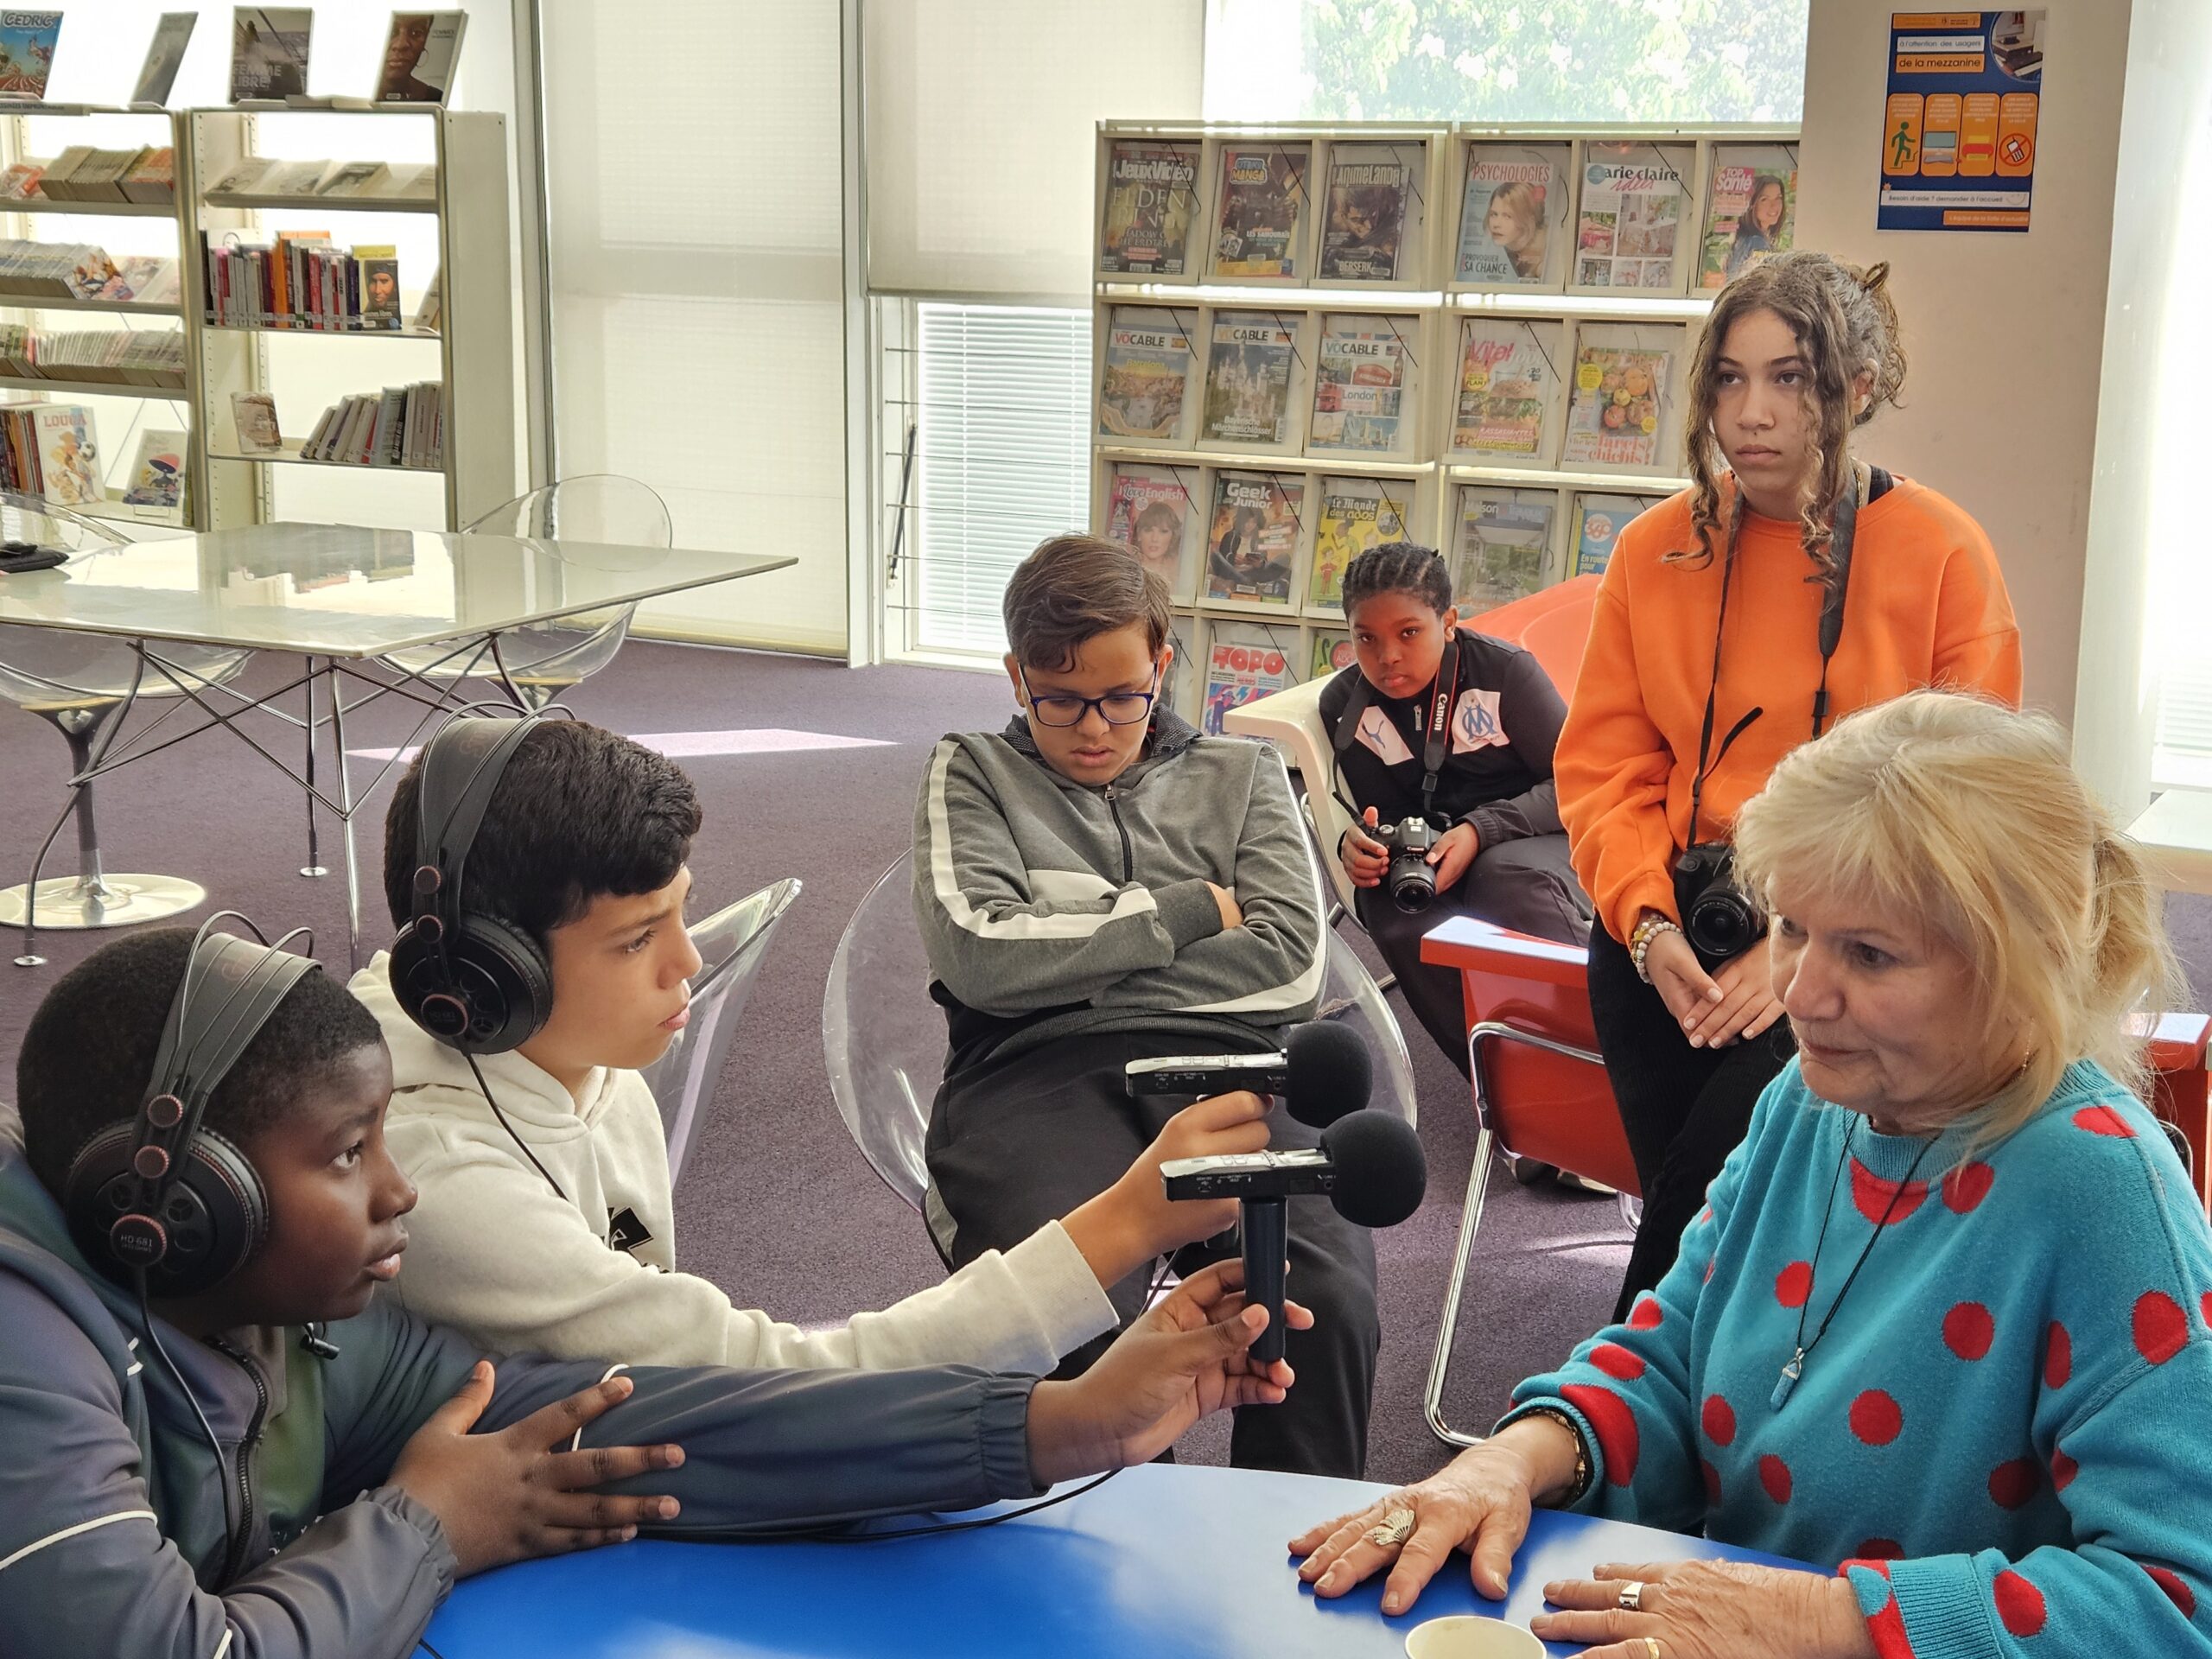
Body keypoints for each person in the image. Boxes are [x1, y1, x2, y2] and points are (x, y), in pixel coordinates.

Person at [0, 926, 1298, 1656]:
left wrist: (1054, 1426)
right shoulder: (21, 1339)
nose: (398, 1194)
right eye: (349, 1157)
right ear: (187, 1199)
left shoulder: (275, 1312)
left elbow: (637, 1422)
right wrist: (421, 1527)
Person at [1293, 690, 2212, 1658]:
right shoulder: (1807, 1103)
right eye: (1793, 930)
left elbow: (2178, 1599)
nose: (1801, 994)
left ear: (2021, 965)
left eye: (1868, 952)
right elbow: (1680, 1349)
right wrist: (1514, 1459)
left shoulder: (2103, 1191)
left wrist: (1820, 1620)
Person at [356, 715, 1279, 1375]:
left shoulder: (582, 1058)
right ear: (485, 977)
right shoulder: (438, 1182)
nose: (686, 962)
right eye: (637, 939)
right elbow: (750, 1376)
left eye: (679, 912)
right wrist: (1121, 1227)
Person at [1553, 251, 2020, 1318]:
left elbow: (1965, 803)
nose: (1749, 412)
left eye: (1788, 378)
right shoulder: (1651, 551)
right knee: (1730, 1233)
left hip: (1846, 945)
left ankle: (1601, 1441)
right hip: (1664, 939)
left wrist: (1805, 943)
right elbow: (1604, 772)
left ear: (1854, 389)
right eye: (1727, 377)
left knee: (1697, 1225)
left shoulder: (1941, 550)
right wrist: (1645, 929)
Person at [914, 533, 1382, 1478]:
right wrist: (1185, 912)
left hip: (1239, 1061)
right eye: (1059, 700)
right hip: (1034, 1072)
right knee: (1060, 1307)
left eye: (1124, 697)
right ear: (1014, 677)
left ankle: (1283, 1560)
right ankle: (1101, 1568)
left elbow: (1293, 962)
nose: (1093, 729)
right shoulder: (971, 771)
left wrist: (1063, 941)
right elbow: (978, 959)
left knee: (1322, 1303)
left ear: (1162, 667)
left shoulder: (1245, 774)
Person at [1318, 542, 1591, 1091]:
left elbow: (1576, 787)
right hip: (1441, 849)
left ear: (1448, 621)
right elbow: (1386, 814)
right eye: (1365, 637)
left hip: (1540, 832)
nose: (1386, 655)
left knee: (1506, 878)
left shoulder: (1507, 674)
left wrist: (1479, 830)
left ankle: (1603, 1067)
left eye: (1408, 633)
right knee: (1391, 903)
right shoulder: (1345, 706)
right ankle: (1508, 1094)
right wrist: (1363, 846)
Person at [1725, 175, 1789, 279]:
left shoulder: (1744, 239)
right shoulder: (1757, 243)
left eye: (1778, 198)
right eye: (1764, 199)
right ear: (1751, 205)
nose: (1774, 205)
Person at [1485, 181, 1548, 282]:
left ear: (1528, 219)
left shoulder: (1546, 254)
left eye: (1507, 216)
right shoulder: (1498, 249)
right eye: (1494, 214)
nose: (1496, 224)